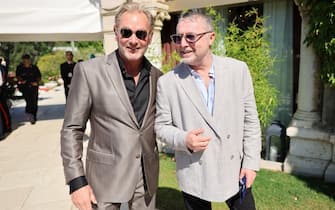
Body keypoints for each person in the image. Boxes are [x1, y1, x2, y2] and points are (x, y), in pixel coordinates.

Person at [155, 9, 261, 210]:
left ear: (211, 37)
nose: (183, 44)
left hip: (235, 169)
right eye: (179, 38)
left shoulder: (238, 71)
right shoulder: (168, 82)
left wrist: (251, 163)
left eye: (191, 37)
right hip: (194, 171)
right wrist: (184, 139)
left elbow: (251, 121)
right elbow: (161, 127)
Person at [61, 2, 162, 210]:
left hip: (146, 179)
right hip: (103, 179)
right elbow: (72, 129)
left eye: (141, 34)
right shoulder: (89, 71)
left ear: (150, 37)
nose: (133, 40)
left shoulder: (158, 77)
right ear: (116, 32)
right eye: (126, 32)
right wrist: (76, 182)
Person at [16, 54, 41, 124]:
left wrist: (36, 82)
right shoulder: (20, 68)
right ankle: (30, 115)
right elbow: (17, 76)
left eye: (27, 60)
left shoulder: (34, 67)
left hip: (34, 87)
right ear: (23, 61)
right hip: (25, 87)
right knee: (28, 101)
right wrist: (21, 80)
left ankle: (34, 116)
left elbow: (39, 76)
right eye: (25, 61)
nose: (26, 62)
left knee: (34, 102)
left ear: (29, 60)